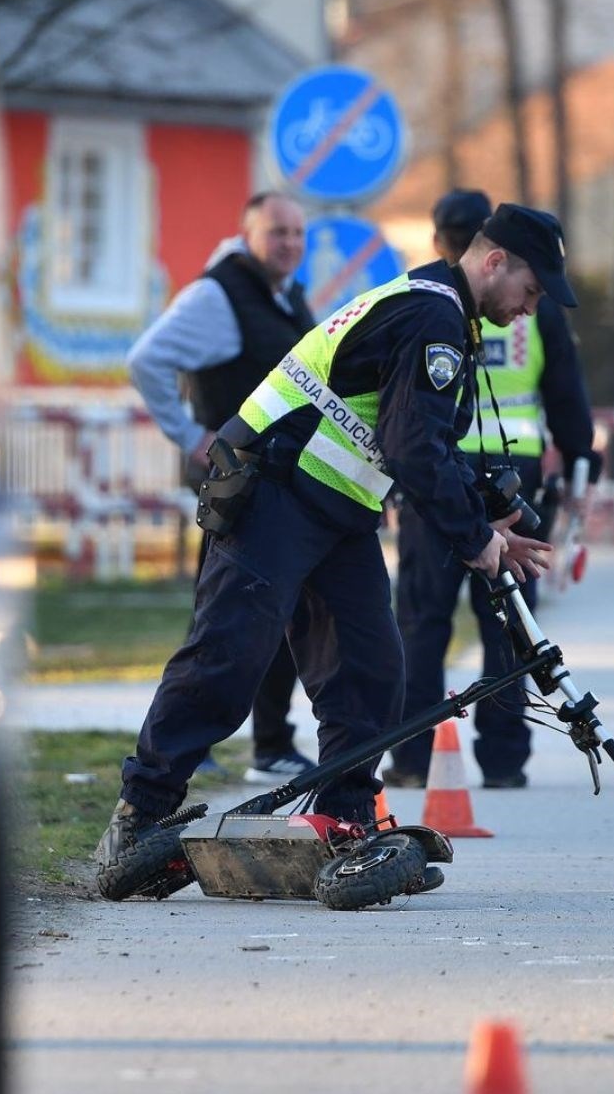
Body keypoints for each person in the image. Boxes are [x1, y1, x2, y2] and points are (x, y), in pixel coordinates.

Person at [96, 202, 573, 898]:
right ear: (495, 261)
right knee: (229, 657)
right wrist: (477, 543)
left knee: (370, 668)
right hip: (276, 488)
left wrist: (487, 514)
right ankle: (140, 815)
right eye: (531, 292)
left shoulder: (442, 312)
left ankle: (344, 823)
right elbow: (413, 448)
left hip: (334, 505)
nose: (530, 310)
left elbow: (418, 439)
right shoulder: (433, 315)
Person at [383, 189, 599, 790]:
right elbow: (567, 394)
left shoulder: (433, 299)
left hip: (433, 480)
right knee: (510, 623)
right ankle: (503, 760)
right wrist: (582, 462)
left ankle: (410, 757)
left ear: (437, 241)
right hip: (509, 475)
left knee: (423, 622)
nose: (527, 306)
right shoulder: (520, 311)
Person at [126, 191, 316, 783]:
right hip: (238, 485)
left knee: (272, 610)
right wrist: (189, 435)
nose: (289, 243)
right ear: (247, 233)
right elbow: (146, 360)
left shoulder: (283, 294)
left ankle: (269, 742)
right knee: (223, 617)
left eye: (297, 234)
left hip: (279, 482)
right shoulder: (219, 294)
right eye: (277, 232)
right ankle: (189, 743)